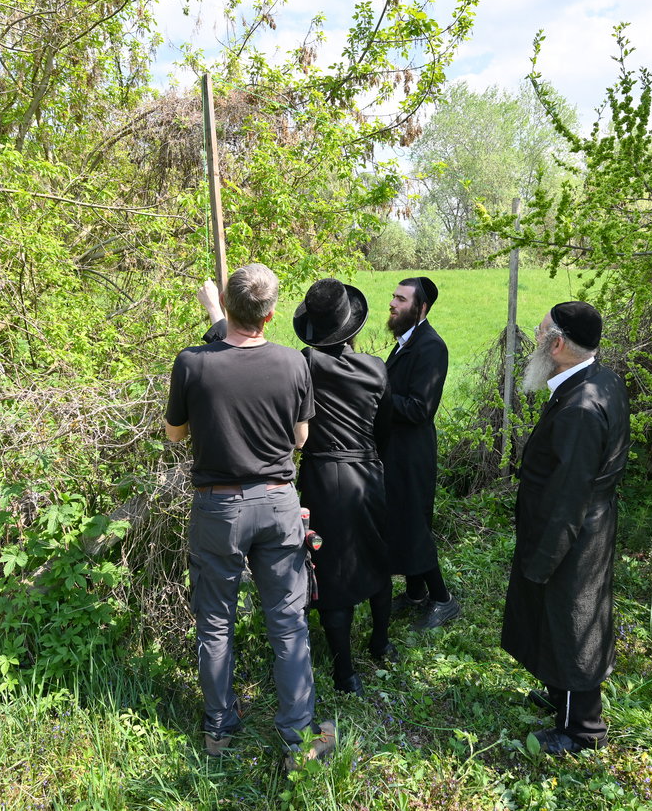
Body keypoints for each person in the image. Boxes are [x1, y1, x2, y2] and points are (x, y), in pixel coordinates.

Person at [165, 264, 336, 765]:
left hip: (218, 507)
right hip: (278, 502)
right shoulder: (292, 363)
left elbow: (175, 435)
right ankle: (298, 737)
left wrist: (214, 319)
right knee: (287, 622)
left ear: (226, 304)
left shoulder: (192, 363)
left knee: (215, 623)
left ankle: (219, 728)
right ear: (272, 314)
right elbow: (301, 439)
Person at [501, 302, 630, 754]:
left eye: (540, 335)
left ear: (557, 344)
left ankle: (582, 728)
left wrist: (544, 556)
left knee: (573, 618)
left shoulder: (580, 408)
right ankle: (561, 694)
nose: (535, 341)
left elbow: (568, 494)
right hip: (585, 522)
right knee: (555, 614)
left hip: (573, 531)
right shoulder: (600, 378)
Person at [291, 279, 398, 695]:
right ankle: (381, 642)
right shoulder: (376, 368)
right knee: (377, 554)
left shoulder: (306, 364)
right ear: (352, 326)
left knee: (331, 570)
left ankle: (346, 674)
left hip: (323, 477)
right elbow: (385, 427)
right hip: (368, 474)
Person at [373, 276, 459, 631]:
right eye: (394, 296)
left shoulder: (431, 347)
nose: (393, 303)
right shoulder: (406, 341)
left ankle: (443, 599)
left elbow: (420, 408)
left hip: (412, 454)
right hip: (397, 450)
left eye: (402, 299)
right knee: (402, 520)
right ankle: (415, 593)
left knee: (413, 526)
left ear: (421, 308)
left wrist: (374, 395)